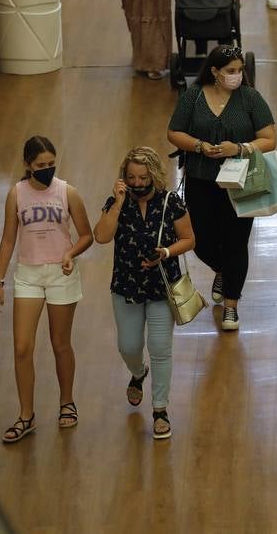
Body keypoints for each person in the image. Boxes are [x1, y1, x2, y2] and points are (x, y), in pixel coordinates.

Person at [0, 136, 93, 443]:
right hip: (28, 275)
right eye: (40, 165)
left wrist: (70, 254)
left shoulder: (67, 192)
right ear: (27, 165)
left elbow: (86, 235)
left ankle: (67, 402)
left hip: (61, 274)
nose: (47, 170)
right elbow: (8, 239)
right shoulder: (16, 194)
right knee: (22, 347)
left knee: (60, 343)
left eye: (51, 164)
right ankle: (26, 416)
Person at [167, 46, 276, 331]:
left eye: (240, 70)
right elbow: (174, 132)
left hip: (241, 182)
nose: (237, 75)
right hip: (201, 180)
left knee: (236, 243)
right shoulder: (193, 96)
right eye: (230, 71)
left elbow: (269, 138)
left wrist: (239, 147)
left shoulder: (250, 99)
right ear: (214, 71)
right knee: (200, 239)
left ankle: (231, 305)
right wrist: (200, 146)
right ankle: (222, 271)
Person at [93, 147, 195, 440]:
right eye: (131, 177)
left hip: (162, 288)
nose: (138, 183)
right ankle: (138, 372)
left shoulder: (170, 202)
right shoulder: (118, 203)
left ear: (154, 175)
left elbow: (189, 239)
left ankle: (160, 409)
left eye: (143, 177)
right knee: (128, 345)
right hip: (126, 286)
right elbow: (101, 236)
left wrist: (165, 251)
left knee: (161, 349)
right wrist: (117, 203)